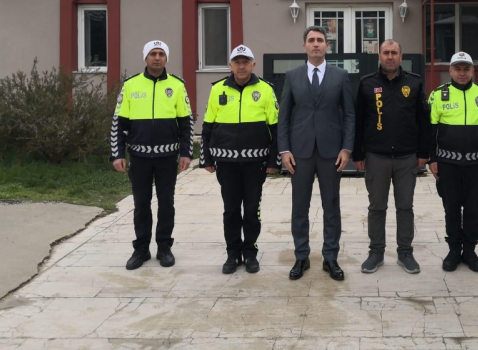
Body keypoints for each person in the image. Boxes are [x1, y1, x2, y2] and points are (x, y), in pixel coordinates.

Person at [278, 26, 355, 281]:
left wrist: (347, 148)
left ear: (327, 46)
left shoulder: (340, 76)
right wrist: (284, 150)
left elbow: (349, 115)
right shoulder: (293, 76)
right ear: (304, 46)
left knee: (331, 206)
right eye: (311, 40)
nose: (316, 44)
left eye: (320, 40)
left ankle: (330, 257)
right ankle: (301, 256)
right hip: (299, 152)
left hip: (331, 152)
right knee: (300, 207)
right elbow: (284, 116)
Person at [111, 40, 193, 270]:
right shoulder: (131, 85)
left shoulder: (177, 85)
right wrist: (117, 154)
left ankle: (164, 247)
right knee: (141, 204)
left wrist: (186, 153)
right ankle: (141, 249)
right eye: (153, 54)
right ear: (145, 57)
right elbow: (118, 123)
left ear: (166, 58)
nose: (157, 58)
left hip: (167, 158)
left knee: (166, 203)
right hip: (139, 157)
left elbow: (186, 123)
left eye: (161, 54)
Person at [200, 45, 280, 275]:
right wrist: (206, 158)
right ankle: (233, 253)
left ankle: (251, 252)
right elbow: (207, 126)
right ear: (231, 65)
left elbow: (275, 129)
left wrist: (273, 161)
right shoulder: (218, 89)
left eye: (246, 62)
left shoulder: (266, 89)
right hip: (226, 163)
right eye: (237, 62)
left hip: (256, 163)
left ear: (253, 65)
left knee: (252, 210)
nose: (241, 66)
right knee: (231, 210)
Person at [353, 39, 430, 274]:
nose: (389, 57)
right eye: (385, 53)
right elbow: (358, 120)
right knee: (377, 207)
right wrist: (358, 153)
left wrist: (423, 152)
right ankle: (376, 252)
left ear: (401, 56)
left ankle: (405, 252)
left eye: (394, 53)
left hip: (407, 157)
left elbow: (423, 120)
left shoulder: (414, 82)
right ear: (379, 56)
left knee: (405, 207)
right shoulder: (367, 84)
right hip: (376, 156)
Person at [428, 51, 478, 273]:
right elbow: (430, 131)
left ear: (473, 71)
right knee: (451, 209)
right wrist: (432, 158)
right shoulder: (438, 95)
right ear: (450, 71)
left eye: (466, 69)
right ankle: (453, 251)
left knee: (472, 210)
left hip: (475, 166)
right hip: (447, 165)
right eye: (458, 69)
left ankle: (470, 251)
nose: (462, 73)